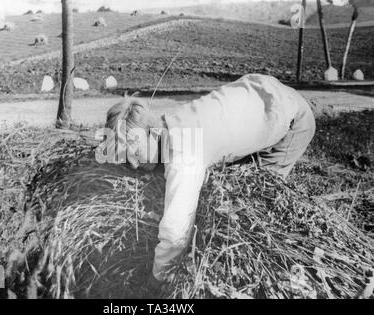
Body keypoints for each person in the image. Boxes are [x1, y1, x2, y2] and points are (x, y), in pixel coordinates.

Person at [102, 74, 316, 288]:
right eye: (126, 160)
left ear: (151, 132)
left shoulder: (184, 155)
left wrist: (155, 279)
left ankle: (274, 271)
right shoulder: (170, 121)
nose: (135, 165)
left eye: (136, 153)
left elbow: (177, 233)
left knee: (256, 196)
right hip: (261, 92)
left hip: (290, 118)